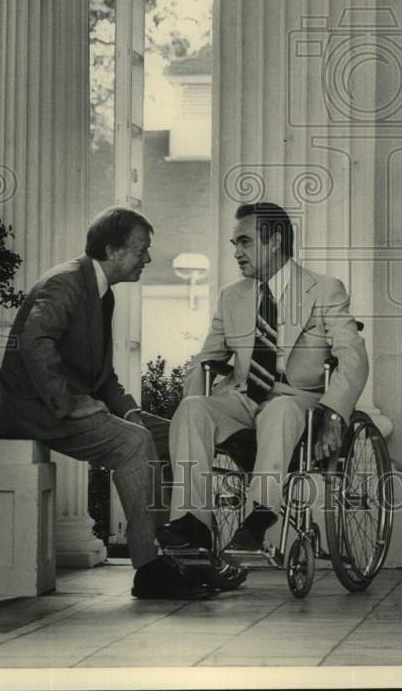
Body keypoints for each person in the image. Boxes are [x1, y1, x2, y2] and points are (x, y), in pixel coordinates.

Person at [0, 206, 207, 599]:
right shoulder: (66, 283)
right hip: (34, 410)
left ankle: (184, 552)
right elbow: (34, 343)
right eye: (141, 249)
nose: (148, 258)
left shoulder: (99, 290)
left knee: (170, 433)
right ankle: (150, 570)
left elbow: (102, 377)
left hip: (63, 405)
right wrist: (70, 402)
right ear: (113, 250)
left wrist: (130, 411)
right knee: (133, 443)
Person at [157, 201, 369, 561]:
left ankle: (260, 517)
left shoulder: (324, 289)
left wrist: (335, 415)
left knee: (281, 409)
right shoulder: (231, 297)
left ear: (274, 242)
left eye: (245, 242)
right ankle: (192, 521)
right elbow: (206, 359)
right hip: (243, 398)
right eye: (234, 245)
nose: (237, 253)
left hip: (298, 399)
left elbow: (353, 355)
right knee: (194, 409)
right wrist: (190, 418)